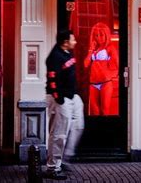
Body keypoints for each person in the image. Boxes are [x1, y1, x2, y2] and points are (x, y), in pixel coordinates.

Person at [44, 30, 84, 180]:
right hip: (62, 99)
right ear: (65, 42)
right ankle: (53, 167)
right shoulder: (55, 57)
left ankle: (66, 157)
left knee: (78, 125)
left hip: (72, 97)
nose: (75, 42)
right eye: (72, 40)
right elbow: (53, 80)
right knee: (59, 134)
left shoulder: (66, 53)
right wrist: (59, 99)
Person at [84, 22, 118, 116]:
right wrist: (91, 50)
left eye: (101, 35)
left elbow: (118, 64)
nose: (99, 38)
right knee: (95, 112)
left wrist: (113, 75)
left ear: (106, 35)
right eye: (96, 35)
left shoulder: (110, 48)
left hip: (105, 83)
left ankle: (105, 130)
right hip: (93, 84)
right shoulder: (93, 49)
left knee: (104, 111)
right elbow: (86, 64)